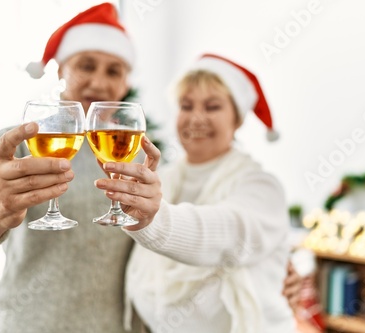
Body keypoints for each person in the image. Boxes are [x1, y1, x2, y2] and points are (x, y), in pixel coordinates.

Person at [0, 3, 159, 332]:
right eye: (86, 66)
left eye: (113, 71)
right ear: (60, 71)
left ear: (126, 82)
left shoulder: (141, 155)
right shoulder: (19, 141)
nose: (99, 82)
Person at [114, 54, 296, 332]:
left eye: (212, 107)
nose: (196, 118)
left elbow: (228, 233)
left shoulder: (262, 186)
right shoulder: (164, 179)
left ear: (237, 119)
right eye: (186, 106)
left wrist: (155, 219)